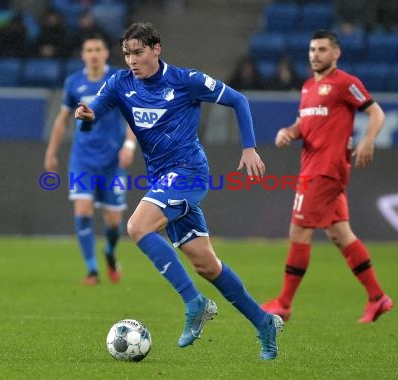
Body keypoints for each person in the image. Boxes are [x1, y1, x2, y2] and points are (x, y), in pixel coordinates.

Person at [75, 22, 284, 360]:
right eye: (127, 54)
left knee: (137, 227)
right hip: (161, 180)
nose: (131, 60)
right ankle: (264, 323)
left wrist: (249, 148)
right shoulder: (120, 83)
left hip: (189, 173)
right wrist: (84, 115)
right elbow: (92, 113)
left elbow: (238, 100)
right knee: (207, 265)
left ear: (156, 48)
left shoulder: (186, 81)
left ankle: (194, 303)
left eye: (138, 52)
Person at [261, 30, 393, 324]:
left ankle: (283, 303)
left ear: (336, 54)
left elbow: (376, 113)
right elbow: (303, 123)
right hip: (314, 168)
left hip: (325, 171)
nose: (315, 55)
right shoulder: (308, 86)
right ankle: (377, 298)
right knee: (340, 234)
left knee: (298, 233)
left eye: (322, 49)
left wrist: (368, 140)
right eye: (312, 50)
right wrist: (289, 132)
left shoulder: (345, 83)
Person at [44, 33, 136, 285]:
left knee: (114, 222)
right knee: (83, 209)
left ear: (106, 53)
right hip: (82, 159)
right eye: (89, 50)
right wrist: (51, 153)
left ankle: (109, 252)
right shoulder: (74, 82)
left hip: (112, 162)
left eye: (98, 49)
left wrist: (129, 145)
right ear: (83, 55)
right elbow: (62, 120)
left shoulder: (118, 79)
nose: (93, 54)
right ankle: (92, 270)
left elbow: (132, 116)